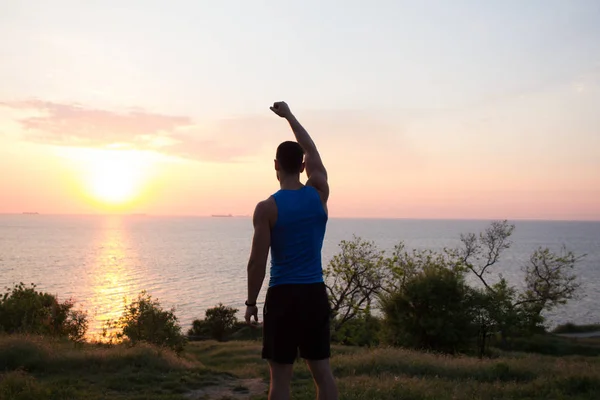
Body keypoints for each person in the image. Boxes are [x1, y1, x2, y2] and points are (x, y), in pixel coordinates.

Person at [244, 101, 338, 400]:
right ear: (301, 167)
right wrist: (290, 117)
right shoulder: (318, 193)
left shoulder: (267, 208)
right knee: (322, 372)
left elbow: (257, 262)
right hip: (314, 294)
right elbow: (312, 151)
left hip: (283, 296)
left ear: (275, 165)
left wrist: (250, 302)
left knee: (280, 380)